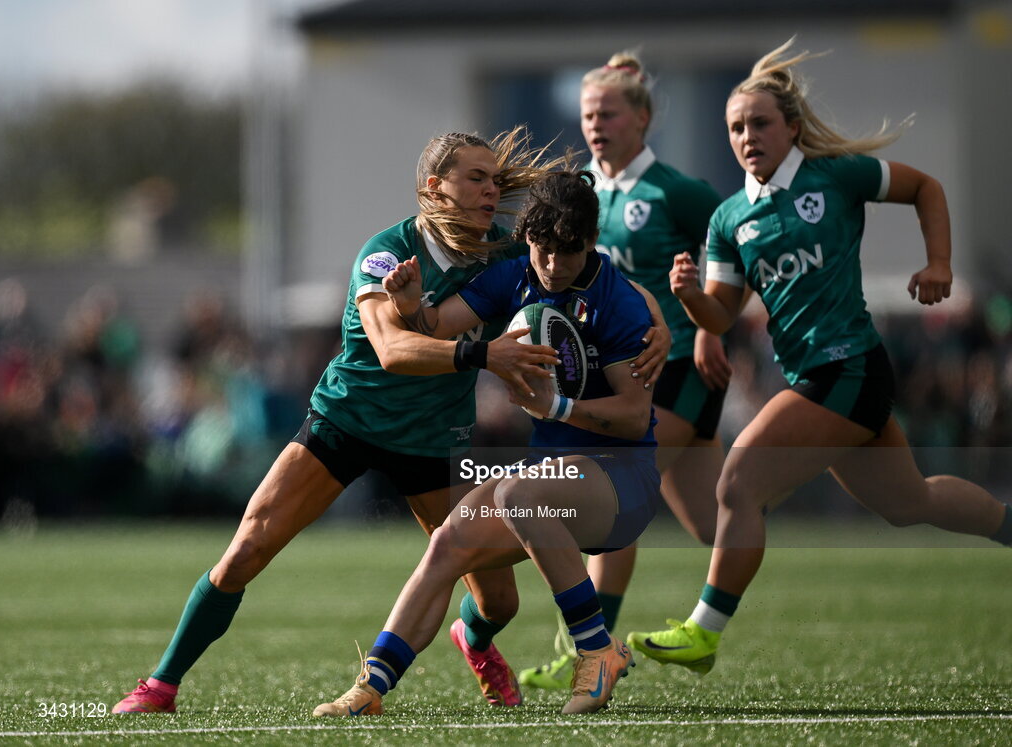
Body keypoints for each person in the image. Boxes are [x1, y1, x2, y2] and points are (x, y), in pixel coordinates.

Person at [110, 128, 571, 714]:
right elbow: (392, 350)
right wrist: (486, 355)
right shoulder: (386, 252)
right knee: (248, 548)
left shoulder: (507, 256)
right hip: (347, 423)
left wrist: (642, 324)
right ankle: (160, 685)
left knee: (500, 601)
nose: (490, 190)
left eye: (495, 179)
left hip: (433, 441)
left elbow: (573, 296)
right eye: (475, 177)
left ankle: (474, 641)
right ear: (434, 187)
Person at [626, 38, 1012, 674]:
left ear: (792, 129)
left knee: (737, 480)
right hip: (820, 378)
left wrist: (939, 262)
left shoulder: (835, 177)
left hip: (850, 367)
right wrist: (692, 299)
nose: (746, 136)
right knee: (907, 503)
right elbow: (723, 314)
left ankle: (704, 632)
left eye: (759, 123)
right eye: (734, 128)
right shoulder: (729, 219)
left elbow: (926, 188)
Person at [312, 168, 663, 717]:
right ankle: (371, 687)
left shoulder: (619, 302)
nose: (550, 265)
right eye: (541, 248)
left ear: (591, 242)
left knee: (519, 491)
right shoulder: (516, 276)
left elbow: (635, 415)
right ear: (527, 239)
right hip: (547, 481)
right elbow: (433, 325)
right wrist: (407, 306)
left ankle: (596, 649)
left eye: (566, 253)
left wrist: (559, 408)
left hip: (621, 480)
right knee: (447, 544)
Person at [519, 51, 732, 690]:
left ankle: (593, 653)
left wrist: (711, 325)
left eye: (609, 112)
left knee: (608, 496)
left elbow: (738, 246)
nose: (596, 124)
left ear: (642, 119)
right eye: (588, 114)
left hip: (671, 366)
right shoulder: (580, 191)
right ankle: (710, 619)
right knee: (721, 519)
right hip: (615, 375)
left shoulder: (676, 191)